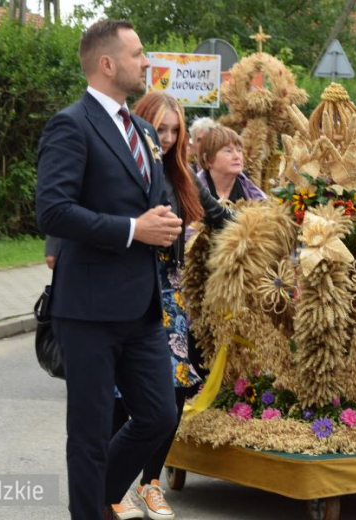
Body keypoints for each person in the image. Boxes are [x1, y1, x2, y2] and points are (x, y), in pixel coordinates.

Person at [35, 20, 183, 520]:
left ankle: (97, 501)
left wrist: (166, 223)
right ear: (107, 63)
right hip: (88, 308)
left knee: (159, 416)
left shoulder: (143, 130)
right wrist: (133, 229)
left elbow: (150, 199)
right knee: (91, 433)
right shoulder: (70, 125)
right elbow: (53, 212)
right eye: (138, 54)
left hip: (141, 306)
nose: (146, 62)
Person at [100, 92, 230, 520]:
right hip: (128, 288)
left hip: (171, 295)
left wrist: (267, 230)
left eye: (175, 130)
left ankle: (151, 482)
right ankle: (112, 488)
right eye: (161, 129)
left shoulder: (181, 176)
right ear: (141, 125)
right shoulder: (121, 170)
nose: (169, 138)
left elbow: (219, 218)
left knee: (173, 394)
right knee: (122, 395)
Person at [197, 126, 266, 201]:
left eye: (239, 150)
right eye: (228, 151)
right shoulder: (193, 192)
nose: (237, 156)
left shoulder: (254, 195)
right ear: (208, 159)